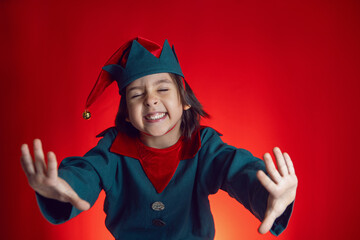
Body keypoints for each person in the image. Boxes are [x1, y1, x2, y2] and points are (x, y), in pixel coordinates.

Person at [20, 37, 297, 239]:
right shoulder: (112, 150)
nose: (151, 101)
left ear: (185, 100)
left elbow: (237, 169)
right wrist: (64, 186)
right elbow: (87, 172)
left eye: (163, 89)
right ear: (127, 113)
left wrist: (268, 193)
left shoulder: (204, 146)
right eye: (137, 95)